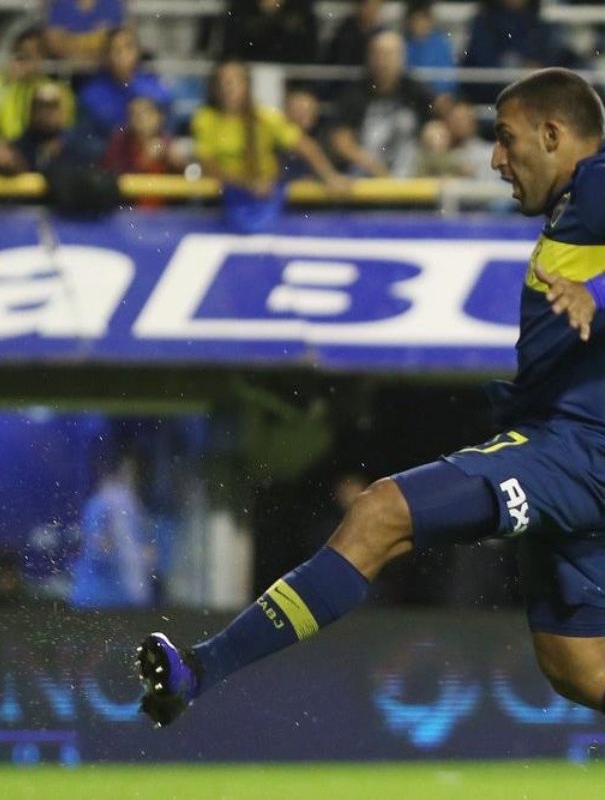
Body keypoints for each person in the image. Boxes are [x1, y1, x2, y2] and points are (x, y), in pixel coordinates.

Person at [138, 67, 605, 726]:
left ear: (553, 133)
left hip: (577, 451)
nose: (496, 159)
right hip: (573, 451)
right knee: (578, 668)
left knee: (381, 512)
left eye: (506, 139)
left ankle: (203, 667)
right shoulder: (577, 210)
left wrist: (598, 294)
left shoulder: (597, 182)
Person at [192, 60, 350, 233]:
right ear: (214, 88)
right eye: (222, 82)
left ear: (246, 85)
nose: (227, 88)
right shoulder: (205, 119)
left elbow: (304, 145)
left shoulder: (264, 117)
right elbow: (208, 165)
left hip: (265, 196)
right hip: (225, 199)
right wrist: (247, 184)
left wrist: (330, 176)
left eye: (233, 81)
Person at [329, 29, 436, 177]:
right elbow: (340, 141)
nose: (384, 60)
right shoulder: (354, 93)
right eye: (379, 53)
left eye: (391, 54)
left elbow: (437, 125)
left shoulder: (415, 91)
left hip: (409, 181)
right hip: (365, 181)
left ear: (402, 57)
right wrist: (373, 166)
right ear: (369, 57)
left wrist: (433, 135)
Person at [69, 453, 154, 608]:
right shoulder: (101, 505)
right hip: (100, 598)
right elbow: (99, 547)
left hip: (123, 598)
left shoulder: (130, 505)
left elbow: (145, 547)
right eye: (128, 472)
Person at [76, 26, 173, 161]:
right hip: (108, 160)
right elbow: (87, 138)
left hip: (150, 155)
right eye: (116, 50)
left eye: (128, 48)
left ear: (138, 52)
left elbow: (167, 131)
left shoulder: (156, 89)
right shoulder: (91, 94)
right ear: (106, 56)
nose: (122, 55)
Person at [0, 26, 75, 142]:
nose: (28, 63)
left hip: (37, 145)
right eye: (22, 56)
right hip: (1, 145)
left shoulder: (54, 89)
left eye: (34, 56)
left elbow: (65, 125)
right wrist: (7, 84)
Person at [221, 0, 318, 65]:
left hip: (294, 80)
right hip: (247, 78)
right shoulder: (240, 7)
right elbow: (231, 53)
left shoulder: (301, 8)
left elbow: (309, 55)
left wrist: (303, 89)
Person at [14, 81, 74, 172]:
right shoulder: (18, 149)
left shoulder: (75, 145)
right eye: (40, 106)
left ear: (62, 112)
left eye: (52, 107)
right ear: (31, 111)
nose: (46, 113)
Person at [403, 0, 457, 99]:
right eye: (415, 19)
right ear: (409, 21)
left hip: (437, 98)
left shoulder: (442, 44)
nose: (419, 23)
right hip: (411, 98)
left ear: (430, 19)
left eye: (423, 18)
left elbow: (448, 80)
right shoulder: (404, 45)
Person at [44, 0, 125, 65]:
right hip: (65, 73)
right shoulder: (60, 5)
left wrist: (70, 40)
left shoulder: (112, 4)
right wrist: (95, 41)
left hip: (106, 75)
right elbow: (54, 43)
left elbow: (117, 43)